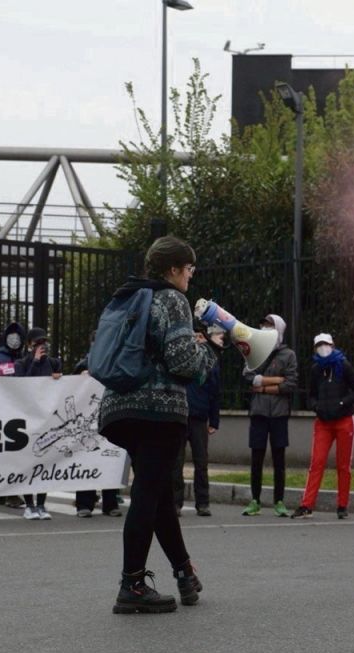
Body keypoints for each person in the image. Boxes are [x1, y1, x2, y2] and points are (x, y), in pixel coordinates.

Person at [98, 235, 217, 614]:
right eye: (189, 269)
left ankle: (184, 573)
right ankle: (132, 584)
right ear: (174, 269)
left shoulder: (131, 295)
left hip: (120, 407)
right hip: (158, 410)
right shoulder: (172, 299)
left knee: (159, 494)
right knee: (148, 494)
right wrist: (211, 351)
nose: (191, 276)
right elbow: (183, 362)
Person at [292, 333, 354, 520]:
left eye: (325, 344)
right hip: (323, 422)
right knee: (317, 462)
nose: (322, 348)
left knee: (343, 465)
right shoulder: (316, 369)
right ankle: (307, 505)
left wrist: (342, 403)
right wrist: (316, 406)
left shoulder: (344, 365)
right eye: (319, 345)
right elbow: (311, 395)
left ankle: (342, 505)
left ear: (332, 345)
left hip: (344, 420)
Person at [240, 313, 298, 517]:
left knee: (279, 459)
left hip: (279, 414)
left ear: (279, 330)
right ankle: (255, 500)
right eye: (263, 325)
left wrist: (263, 385)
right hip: (258, 412)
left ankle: (279, 501)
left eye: (270, 326)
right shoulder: (255, 351)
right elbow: (248, 376)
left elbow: (290, 383)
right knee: (256, 458)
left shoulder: (288, 355)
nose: (265, 328)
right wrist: (276, 380)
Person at [173, 319, 222, 517]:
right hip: (179, 417)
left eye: (201, 336)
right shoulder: (181, 360)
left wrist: (214, 420)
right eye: (194, 336)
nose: (197, 339)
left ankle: (203, 503)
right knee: (176, 462)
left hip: (199, 418)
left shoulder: (210, 363)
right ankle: (175, 503)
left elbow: (215, 392)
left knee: (201, 462)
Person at [14, 327, 63, 520]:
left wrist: (58, 378)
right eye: (37, 343)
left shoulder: (54, 363)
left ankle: (41, 504)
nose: (42, 346)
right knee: (28, 462)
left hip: (47, 418)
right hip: (27, 419)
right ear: (29, 345)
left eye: (44, 342)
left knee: (45, 461)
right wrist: (34, 362)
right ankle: (29, 505)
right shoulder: (21, 363)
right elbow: (22, 387)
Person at [73, 335, 122, 518]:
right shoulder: (83, 365)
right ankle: (84, 503)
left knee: (110, 458)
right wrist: (79, 377)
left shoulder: (114, 363)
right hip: (87, 420)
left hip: (108, 416)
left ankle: (110, 502)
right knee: (86, 459)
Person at [0, 322, 27, 509]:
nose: (14, 339)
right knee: (3, 454)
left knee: (14, 454)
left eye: (18, 336)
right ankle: (4, 493)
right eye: (11, 335)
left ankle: (6, 492)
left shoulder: (24, 360)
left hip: (18, 413)